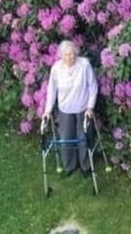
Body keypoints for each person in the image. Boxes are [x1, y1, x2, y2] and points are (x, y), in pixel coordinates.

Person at [42, 40, 98, 177]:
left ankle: (85, 167)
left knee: (83, 138)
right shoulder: (56, 68)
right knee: (66, 138)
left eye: (72, 54)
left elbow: (93, 86)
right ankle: (69, 167)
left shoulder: (84, 64)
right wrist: (48, 110)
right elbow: (52, 90)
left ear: (76, 53)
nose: (69, 57)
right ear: (61, 55)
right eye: (66, 54)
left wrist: (90, 107)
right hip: (65, 109)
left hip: (82, 108)